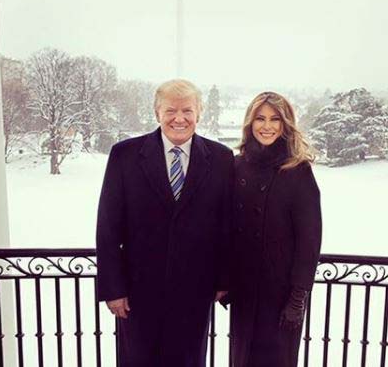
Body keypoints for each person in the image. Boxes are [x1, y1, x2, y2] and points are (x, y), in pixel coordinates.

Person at [96, 79, 234, 367]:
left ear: (200, 113)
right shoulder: (125, 155)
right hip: (137, 295)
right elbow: (108, 227)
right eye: (171, 110)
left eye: (187, 110)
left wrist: (223, 280)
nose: (179, 118)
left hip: (194, 294)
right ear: (157, 112)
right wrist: (113, 288)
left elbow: (226, 225)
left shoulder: (221, 158)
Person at [229, 91, 322, 367]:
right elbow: (226, 227)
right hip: (245, 292)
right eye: (260, 118)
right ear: (250, 122)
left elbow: (310, 240)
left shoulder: (298, 170)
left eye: (274, 119)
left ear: (285, 125)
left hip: (281, 296)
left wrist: (297, 298)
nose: (266, 126)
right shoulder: (237, 166)